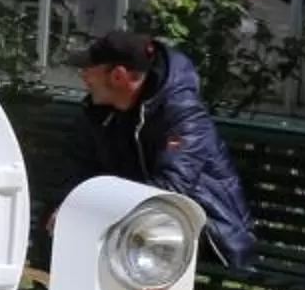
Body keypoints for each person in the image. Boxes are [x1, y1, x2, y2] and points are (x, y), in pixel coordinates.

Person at [75, 27, 257, 273]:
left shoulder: (183, 116)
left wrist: (105, 212)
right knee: (64, 225)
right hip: (147, 221)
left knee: (105, 234)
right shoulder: (106, 113)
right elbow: (84, 167)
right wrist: (69, 208)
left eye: (89, 70)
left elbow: (171, 190)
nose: (83, 77)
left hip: (209, 231)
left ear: (118, 75)